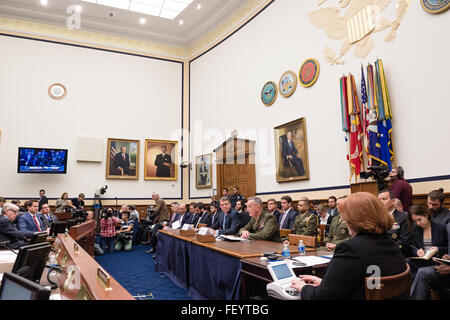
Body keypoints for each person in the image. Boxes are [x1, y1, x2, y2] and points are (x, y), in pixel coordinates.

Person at [290, 192, 407, 300]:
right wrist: (325, 283)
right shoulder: (390, 243)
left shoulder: (351, 249)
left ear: (354, 219)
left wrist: (303, 287)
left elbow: (323, 297)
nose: (344, 220)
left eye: (345, 215)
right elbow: (361, 282)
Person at [406, 204, 448, 278]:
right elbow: (412, 246)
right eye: (415, 221)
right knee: (404, 263)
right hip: (422, 261)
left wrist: (438, 249)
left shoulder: (441, 228)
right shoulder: (415, 229)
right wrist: (417, 251)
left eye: (419, 219)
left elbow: (448, 248)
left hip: (436, 261)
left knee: (418, 274)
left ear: (426, 215)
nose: (418, 223)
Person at [378, 190, 412, 257]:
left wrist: (384, 248)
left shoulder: (403, 217)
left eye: (384, 199)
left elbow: (404, 241)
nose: (381, 202)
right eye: (379, 200)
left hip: (395, 253)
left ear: (393, 201)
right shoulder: (375, 217)